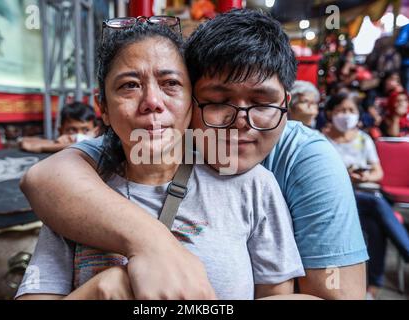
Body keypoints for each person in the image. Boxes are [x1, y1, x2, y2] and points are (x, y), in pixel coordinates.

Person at [20, 9, 368, 299]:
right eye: (218, 101)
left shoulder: (288, 170)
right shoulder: (85, 191)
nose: (240, 123)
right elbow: (43, 178)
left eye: (170, 83)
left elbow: (319, 295)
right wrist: (105, 287)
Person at [323, 92, 409, 299]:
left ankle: (372, 287)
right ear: (330, 113)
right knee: (376, 204)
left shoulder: (364, 139)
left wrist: (364, 176)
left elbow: (379, 173)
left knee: (374, 225)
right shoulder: (321, 141)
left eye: (351, 110)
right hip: (338, 199)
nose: (346, 115)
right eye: (341, 110)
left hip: (364, 194)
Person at [20, 101, 98, 153]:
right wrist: (55, 143)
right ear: (60, 131)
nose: (78, 135)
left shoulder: (98, 147)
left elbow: (81, 146)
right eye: (72, 130)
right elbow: (25, 142)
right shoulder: (60, 142)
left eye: (85, 130)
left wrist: (42, 148)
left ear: (96, 132)